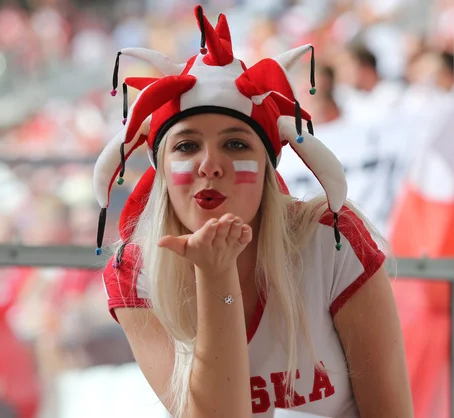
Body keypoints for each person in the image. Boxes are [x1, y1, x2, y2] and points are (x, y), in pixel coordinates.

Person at [92, 5, 412, 417]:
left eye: (236, 144)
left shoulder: (332, 243)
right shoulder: (134, 273)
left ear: (266, 166)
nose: (211, 164)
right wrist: (215, 274)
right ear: (163, 171)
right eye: (187, 146)